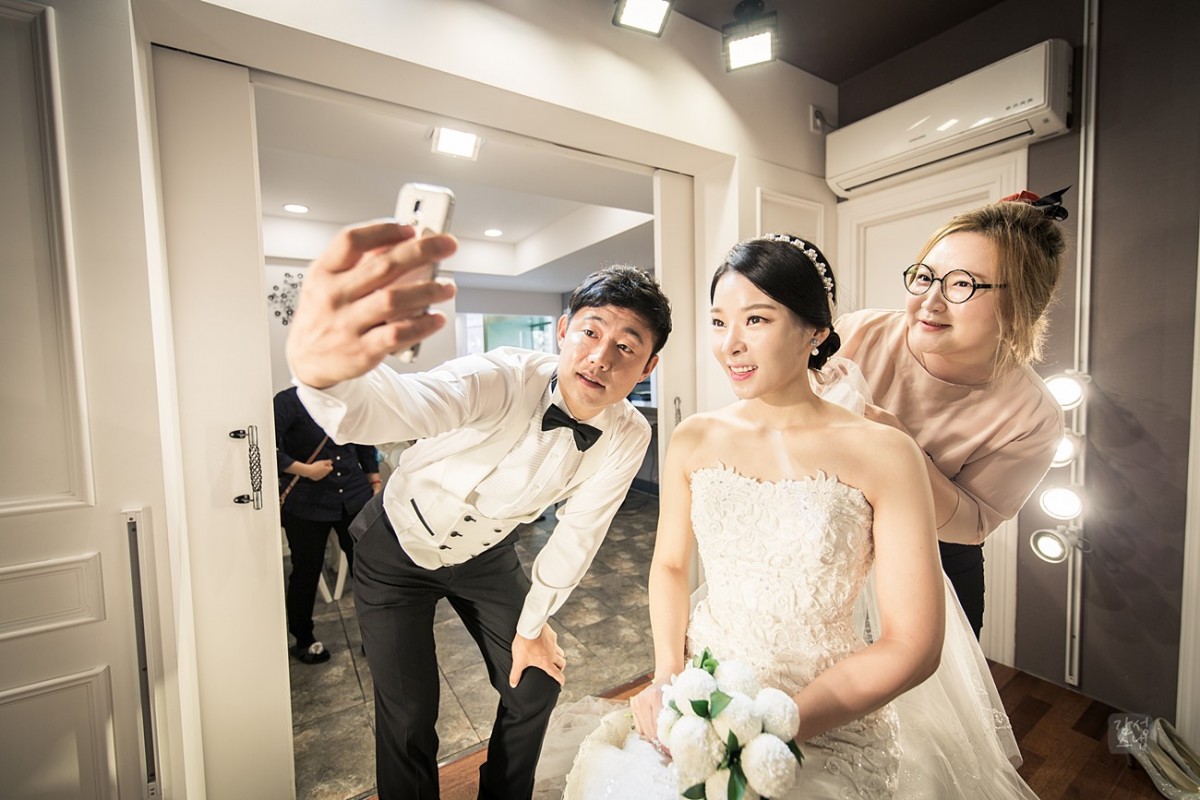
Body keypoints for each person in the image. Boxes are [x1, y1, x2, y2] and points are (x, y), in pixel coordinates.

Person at [537, 234, 1039, 799]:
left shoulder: (887, 452)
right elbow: (672, 566)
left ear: (816, 331)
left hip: (826, 706)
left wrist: (773, 727)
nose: (731, 345)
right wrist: (667, 676)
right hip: (702, 686)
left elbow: (913, 644)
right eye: (719, 322)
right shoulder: (695, 437)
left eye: (756, 320)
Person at [285, 220, 672, 800]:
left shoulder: (628, 434)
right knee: (410, 713)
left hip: (487, 556)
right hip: (397, 549)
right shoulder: (499, 377)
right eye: (590, 332)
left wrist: (533, 627)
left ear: (647, 367)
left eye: (625, 347)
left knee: (535, 682)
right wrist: (325, 372)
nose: (599, 358)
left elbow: (578, 535)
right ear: (563, 330)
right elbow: (403, 405)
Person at [836, 192, 1068, 637]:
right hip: (825, 549)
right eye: (924, 277)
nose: (930, 301)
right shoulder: (858, 332)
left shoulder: (1032, 417)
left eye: (962, 285)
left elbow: (972, 524)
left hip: (935, 565)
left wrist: (902, 451)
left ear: (1022, 305)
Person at [274, 385, 380, 664]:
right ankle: (303, 638)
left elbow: (364, 439)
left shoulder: (350, 397)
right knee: (306, 571)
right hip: (307, 502)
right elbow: (266, 448)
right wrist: (305, 470)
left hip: (354, 497)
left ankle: (375, 635)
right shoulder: (288, 401)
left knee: (367, 569)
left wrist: (374, 480)